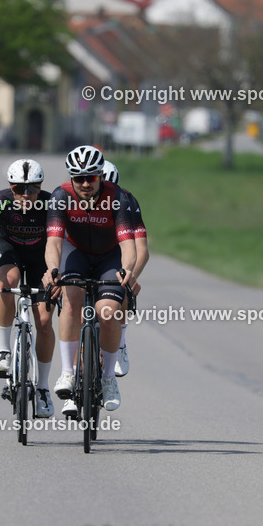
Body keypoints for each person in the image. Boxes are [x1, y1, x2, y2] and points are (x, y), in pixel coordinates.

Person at [41, 146, 137, 416]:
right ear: (71, 177)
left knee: (107, 313)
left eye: (91, 178)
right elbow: (54, 243)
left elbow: (129, 246)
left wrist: (127, 270)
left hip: (109, 256)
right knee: (71, 302)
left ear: (100, 177)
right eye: (79, 177)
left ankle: (108, 379)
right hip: (76, 253)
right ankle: (68, 372)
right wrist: (52, 270)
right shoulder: (61, 196)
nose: (85, 183)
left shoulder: (117, 198)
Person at [0, 159, 55, 417]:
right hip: (11, 252)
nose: (26, 195)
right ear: (10, 188)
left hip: (41, 258)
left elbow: (59, 244)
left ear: (40, 186)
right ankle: (4, 351)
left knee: (44, 321)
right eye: (19, 189)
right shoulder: (0, 202)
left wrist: (53, 274)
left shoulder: (50, 203)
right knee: (7, 281)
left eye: (32, 189)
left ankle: (43, 388)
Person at [100, 160, 148, 377]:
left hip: (118, 256)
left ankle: (121, 344)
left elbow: (142, 250)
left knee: (123, 290)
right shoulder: (77, 200)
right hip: (88, 255)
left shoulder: (126, 201)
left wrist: (132, 276)